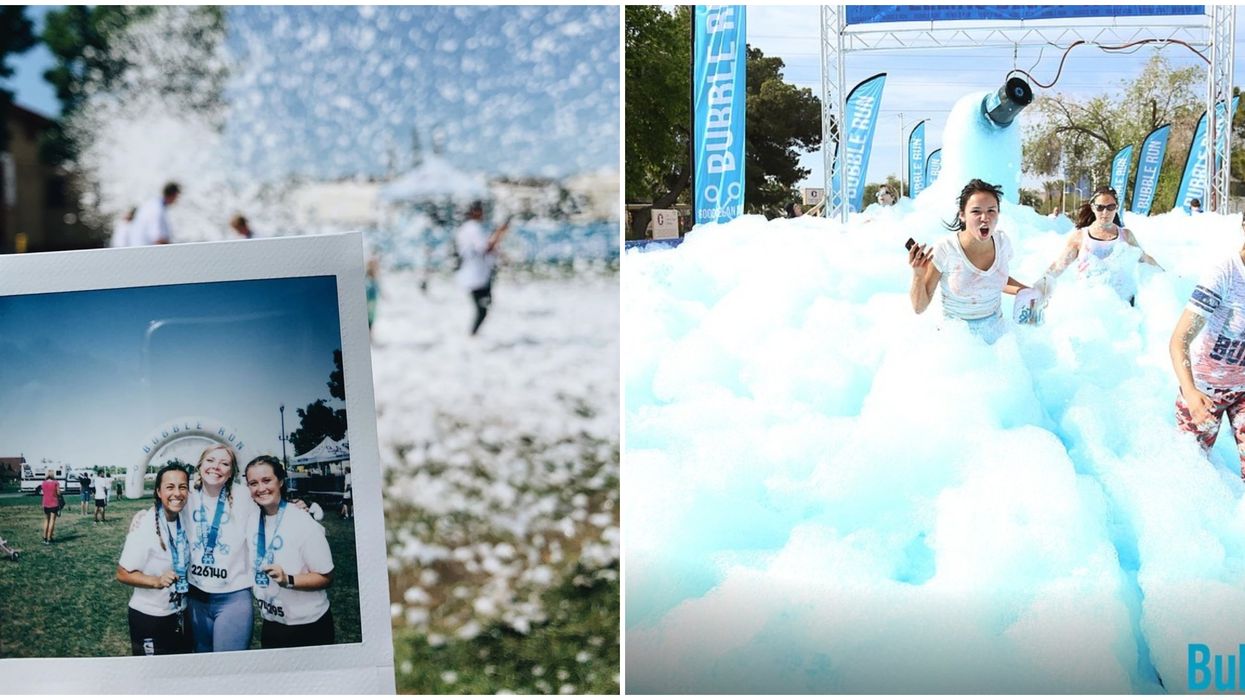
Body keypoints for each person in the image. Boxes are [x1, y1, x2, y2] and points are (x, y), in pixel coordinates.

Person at [908, 179, 1044, 344]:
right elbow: (919, 307)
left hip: (997, 335)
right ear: (962, 215)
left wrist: (1028, 292)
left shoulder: (1002, 243)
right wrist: (918, 275)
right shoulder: (946, 249)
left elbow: (993, 280)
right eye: (976, 211)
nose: (985, 218)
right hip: (958, 340)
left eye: (991, 210)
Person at [1171, 213, 1245, 478]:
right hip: (1204, 390)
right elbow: (1179, 340)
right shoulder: (1224, 274)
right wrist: (1190, 393)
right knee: (1192, 476)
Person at [244, 456, 335, 648]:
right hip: (272, 623)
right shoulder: (251, 520)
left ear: (281, 481)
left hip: (308, 625)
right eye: (253, 483)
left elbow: (326, 577)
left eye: (267, 480)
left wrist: (288, 580)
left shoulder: (302, 521)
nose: (261, 488)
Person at [115, 465, 192, 656]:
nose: (177, 493)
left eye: (183, 487)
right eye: (170, 487)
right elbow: (122, 573)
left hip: (180, 614)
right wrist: (156, 581)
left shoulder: (187, 520)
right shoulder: (145, 525)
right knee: (152, 673)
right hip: (150, 617)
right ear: (158, 491)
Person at [186, 443, 255, 652]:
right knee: (202, 664)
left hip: (233, 596)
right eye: (210, 460)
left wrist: (298, 505)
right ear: (200, 465)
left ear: (231, 472)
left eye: (224, 463)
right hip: (195, 596)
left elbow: (273, 502)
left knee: (229, 667)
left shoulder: (244, 496)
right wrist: (142, 515)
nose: (216, 467)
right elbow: (162, 506)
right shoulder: (187, 494)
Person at [1044, 186, 1162, 306]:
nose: (1105, 213)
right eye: (1100, 207)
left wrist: (1167, 278)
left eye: (1110, 207)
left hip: (1122, 306)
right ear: (1093, 208)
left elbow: (1145, 259)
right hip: (1090, 305)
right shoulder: (1080, 236)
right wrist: (1039, 287)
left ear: (1117, 207)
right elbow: (1058, 266)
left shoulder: (1126, 236)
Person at [454, 200, 511, 336]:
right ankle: (472, 335)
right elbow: (486, 247)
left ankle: (473, 335)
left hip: (471, 273)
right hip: (477, 275)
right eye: (482, 210)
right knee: (483, 308)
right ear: (475, 212)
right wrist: (499, 233)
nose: (484, 214)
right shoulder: (474, 228)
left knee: (483, 307)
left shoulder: (464, 228)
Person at [129, 182, 180, 246]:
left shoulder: (152, 204)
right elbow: (158, 238)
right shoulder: (157, 210)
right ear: (173, 195)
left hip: (140, 246)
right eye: (177, 197)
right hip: (146, 248)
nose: (177, 200)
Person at [41, 471, 61, 544]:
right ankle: (49, 538)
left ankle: (44, 537)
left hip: (45, 503)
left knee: (46, 520)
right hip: (53, 503)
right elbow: (58, 493)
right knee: (52, 520)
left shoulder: (43, 483)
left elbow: (43, 492)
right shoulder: (56, 483)